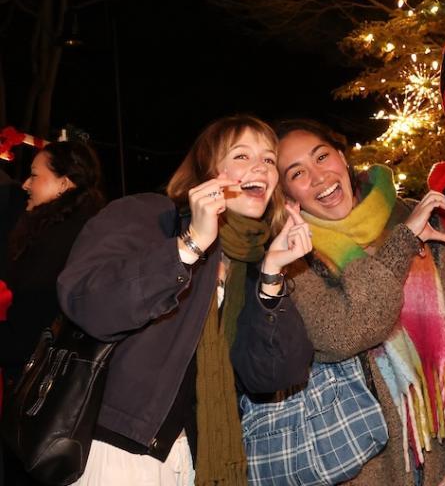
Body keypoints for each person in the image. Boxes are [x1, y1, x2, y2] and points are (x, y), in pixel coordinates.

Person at [57, 115, 314, 485]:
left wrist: (273, 275)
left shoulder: (253, 259)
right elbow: (87, 302)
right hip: (114, 450)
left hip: (195, 456)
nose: (261, 166)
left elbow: (272, 376)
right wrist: (189, 245)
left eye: (269, 159)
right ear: (208, 171)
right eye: (242, 156)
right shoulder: (146, 216)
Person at [275, 119, 445, 486]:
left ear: (343, 158)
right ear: (286, 195)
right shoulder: (292, 255)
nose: (318, 177)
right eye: (297, 172)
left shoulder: (410, 217)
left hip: (431, 455)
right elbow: (343, 333)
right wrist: (403, 243)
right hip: (354, 464)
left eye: (322, 157)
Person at [2, 142, 105, 486]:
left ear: (64, 183)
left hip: (41, 402)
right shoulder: (83, 230)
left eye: (35, 176)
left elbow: (25, 334)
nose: (26, 185)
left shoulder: (57, 243)